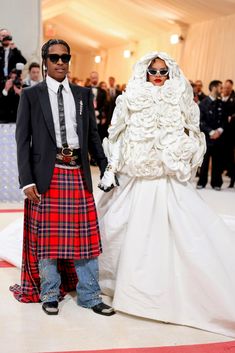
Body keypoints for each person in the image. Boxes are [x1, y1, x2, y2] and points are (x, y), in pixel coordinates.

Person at [96, 51, 235, 337]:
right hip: (138, 174)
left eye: (163, 72)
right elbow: (117, 132)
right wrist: (112, 167)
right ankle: (123, 282)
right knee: (119, 224)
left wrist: (189, 152)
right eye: (153, 72)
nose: (158, 77)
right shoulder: (130, 97)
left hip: (170, 175)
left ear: (169, 73)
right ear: (145, 73)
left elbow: (194, 131)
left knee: (187, 231)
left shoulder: (180, 96)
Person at [11, 39, 115, 317]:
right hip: (48, 174)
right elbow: (22, 140)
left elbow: (92, 135)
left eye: (65, 58)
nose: (60, 62)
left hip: (78, 174)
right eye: (54, 57)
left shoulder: (83, 94)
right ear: (45, 61)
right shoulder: (31, 95)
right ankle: (50, 293)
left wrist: (105, 165)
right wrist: (26, 180)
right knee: (48, 239)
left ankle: (90, 296)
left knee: (85, 237)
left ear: (69, 61)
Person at [197, 80, 226, 190]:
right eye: (220, 87)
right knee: (204, 161)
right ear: (214, 88)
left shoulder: (221, 103)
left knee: (217, 161)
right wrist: (211, 132)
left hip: (218, 137)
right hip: (207, 137)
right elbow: (200, 121)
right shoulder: (203, 103)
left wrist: (219, 130)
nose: (221, 90)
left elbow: (224, 120)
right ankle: (202, 182)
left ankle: (216, 183)